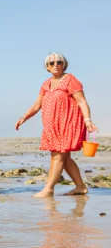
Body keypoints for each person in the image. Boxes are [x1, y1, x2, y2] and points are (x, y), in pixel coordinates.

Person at [15, 52, 97, 198]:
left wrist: (88, 120)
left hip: (68, 124)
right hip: (52, 126)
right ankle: (81, 186)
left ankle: (48, 189)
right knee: (65, 158)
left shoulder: (70, 80)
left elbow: (82, 101)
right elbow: (37, 105)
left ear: (63, 64)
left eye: (59, 62)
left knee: (57, 155)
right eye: (51, 63)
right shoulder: (46, 84)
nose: (56, 65)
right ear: (47, 67)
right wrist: (24, 117)